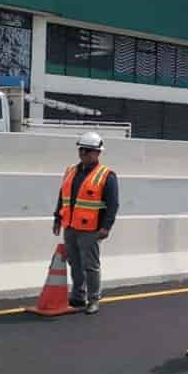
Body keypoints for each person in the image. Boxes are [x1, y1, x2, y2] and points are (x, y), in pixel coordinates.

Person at [52, 132, 119, 316]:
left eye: (88, 150)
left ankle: (93, 299)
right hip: (71, 226)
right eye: (81, 149)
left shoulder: (106, 176)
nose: (83, 153)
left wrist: (106, 227)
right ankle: (78, 296)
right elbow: (62, 196)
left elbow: (113, 204)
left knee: (90, 266)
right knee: (75, 263)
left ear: (97, 153)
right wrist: (57, 218)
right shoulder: (71, 171)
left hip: (91, 229)